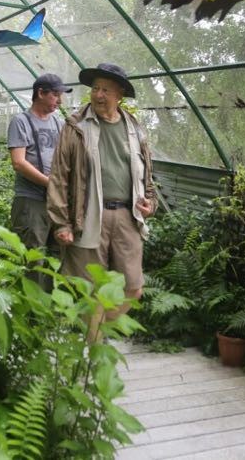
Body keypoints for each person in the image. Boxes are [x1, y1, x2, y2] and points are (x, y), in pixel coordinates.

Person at [47, 63, 157, 335]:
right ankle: (94, 353)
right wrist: (62, 223)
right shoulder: (76, 126)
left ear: (120, 93)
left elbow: (147, 172)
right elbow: (59, 176)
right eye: (95, 88)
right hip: (88, 215)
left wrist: (150, 201)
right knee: (89, 289)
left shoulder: (134, 127)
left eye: (106, 89)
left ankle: (96, 330)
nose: (98, 95)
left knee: (134, 287)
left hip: (127, 216)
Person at [7, 73, 72, 289]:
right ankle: (29, 314)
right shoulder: (21, 121)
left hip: (56, 202)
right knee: (32, 258)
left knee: (56, 256)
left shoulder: (58, 122)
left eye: (60, 95)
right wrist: (50, 183)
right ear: (40, 93)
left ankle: (48, 311)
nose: (59, 100)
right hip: (31, 201)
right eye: (55, 94)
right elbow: (18, 162)